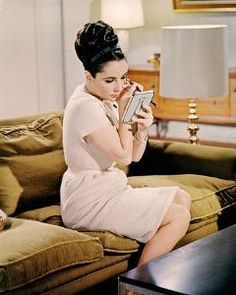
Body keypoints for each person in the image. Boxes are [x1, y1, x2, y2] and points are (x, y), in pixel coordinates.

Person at [60, 20, 191, 268]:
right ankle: (136, 288)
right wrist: (124, 115)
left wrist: (141, 129)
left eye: (123, 77)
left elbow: (135, 155)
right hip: (88, 201)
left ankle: (150, 266)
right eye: (110, 80)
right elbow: (123, 158)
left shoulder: (102, 97)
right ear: (88, 76)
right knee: (178, 216)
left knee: (181, 197)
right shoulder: (84, 107)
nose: (119, 87)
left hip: (110, 189)